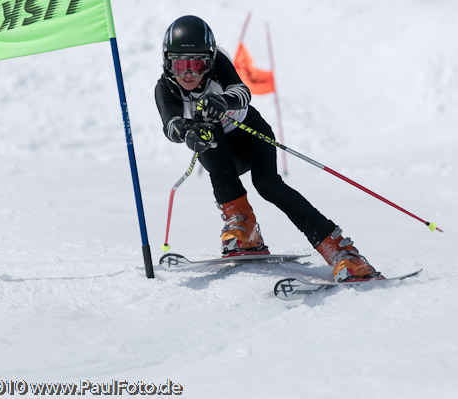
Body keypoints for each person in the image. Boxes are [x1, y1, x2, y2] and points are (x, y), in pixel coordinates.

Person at [154, 15, 382, 282]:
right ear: (168, 64)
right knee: (207, 131)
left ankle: (342, 252)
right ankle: (243, 226)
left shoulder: (220, 63)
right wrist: (188, 131)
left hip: (250, 134)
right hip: (219, 153)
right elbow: (170, 125)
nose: (189, 74)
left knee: (268, 185)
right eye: (180, 65)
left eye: (197, 64)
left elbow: (242, 92)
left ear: (210, 60)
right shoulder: (164, 87)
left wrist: (223, 100)